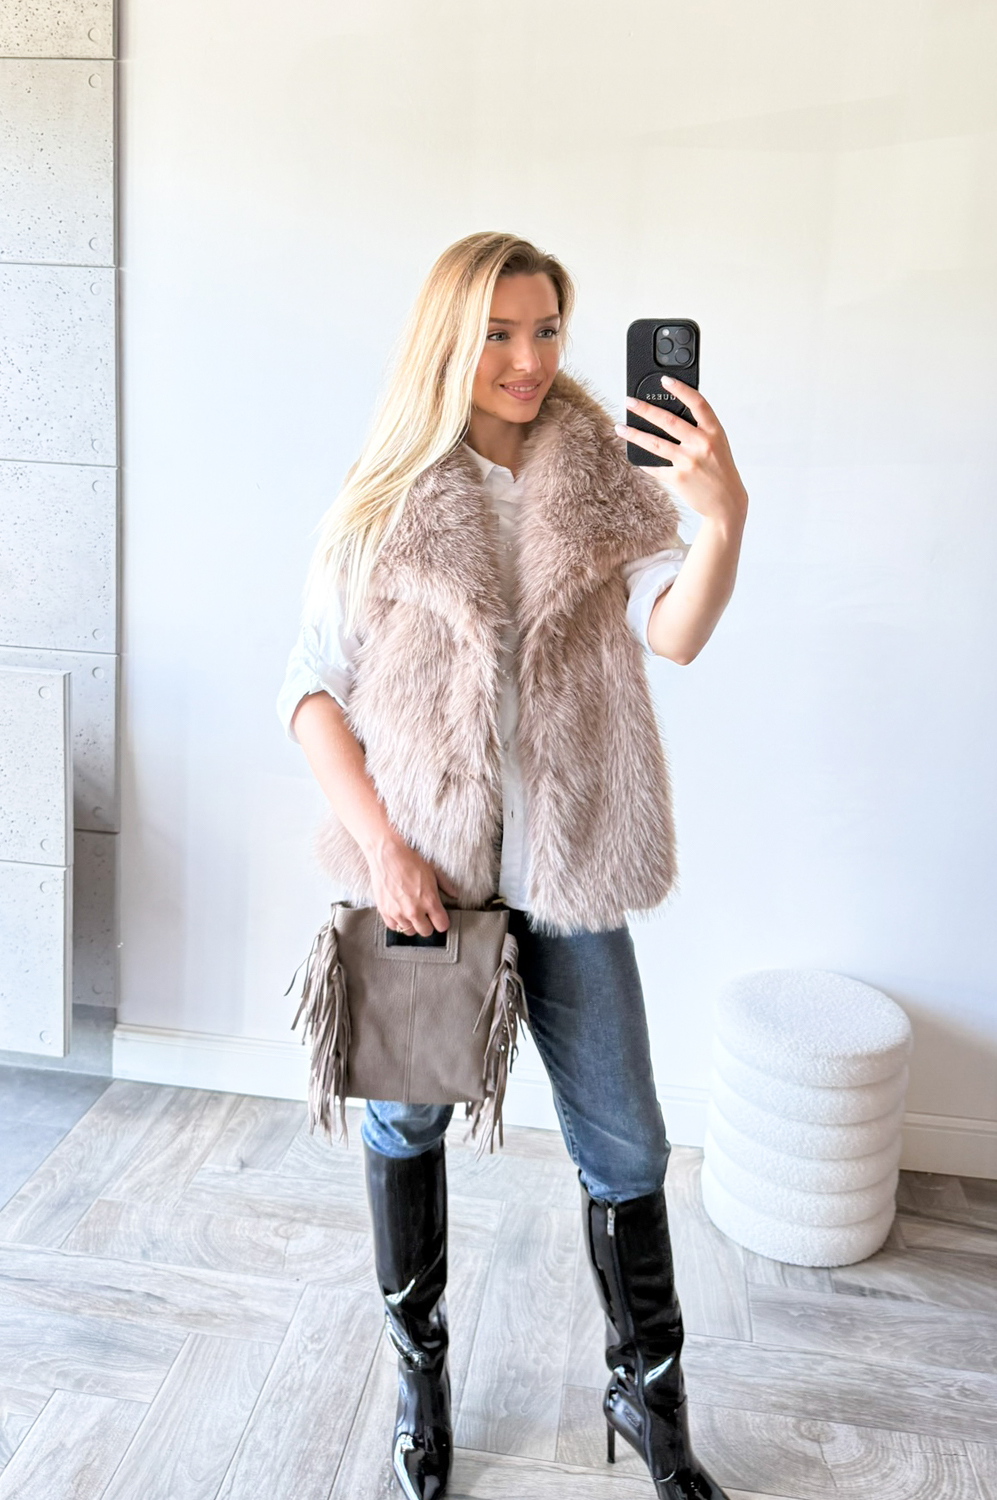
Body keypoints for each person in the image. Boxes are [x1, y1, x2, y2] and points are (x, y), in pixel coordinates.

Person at [276, 232, 748, 1500]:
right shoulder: (383, 499)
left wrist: (723, 519)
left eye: (545, 330)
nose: (528, 360)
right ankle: (418, 1377)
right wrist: (385, 852)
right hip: (428, 883)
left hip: (570, 879)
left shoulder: (600, 480)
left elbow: (675, 634)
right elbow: (309, 693)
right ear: (450, 339)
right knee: (407, 1118)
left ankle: (648, 1399)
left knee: (628, 1150)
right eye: (498, 333)